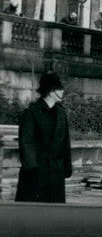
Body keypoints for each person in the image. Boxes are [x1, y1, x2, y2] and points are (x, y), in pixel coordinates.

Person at [15, 71, 72, 203]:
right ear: (51, 91)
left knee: (54, 216)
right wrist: (32, 169)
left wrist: (66, 167)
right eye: (59, 88)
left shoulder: (61, 114)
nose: (63, 91)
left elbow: (65, 143)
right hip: (37, 174)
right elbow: (26, 142)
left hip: (56, 173)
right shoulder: (31, 113)